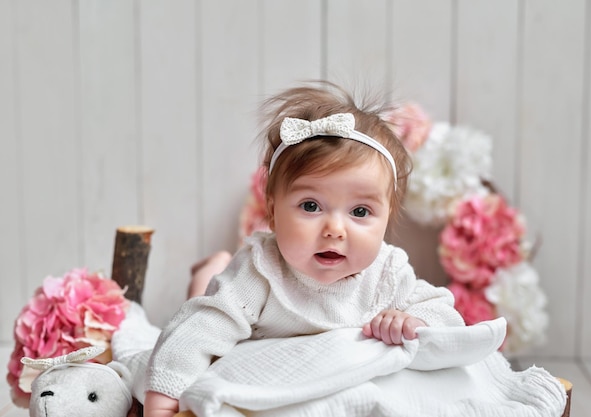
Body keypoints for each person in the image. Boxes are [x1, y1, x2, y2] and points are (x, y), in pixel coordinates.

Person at [144, 82, 465, 417]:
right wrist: (164, 399)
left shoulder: (386, 272)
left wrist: (411, 319)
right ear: (272, 210)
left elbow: (446, 315)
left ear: (387, 218)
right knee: (208, 294)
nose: (334, 230)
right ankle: (211, 270)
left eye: (360, 212)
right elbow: (199, 327)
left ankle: (213, 269)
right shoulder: (261, 270)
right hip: (238, 305)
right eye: (311, 206)